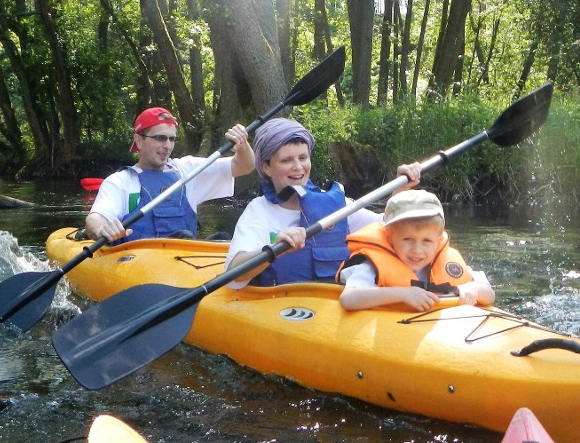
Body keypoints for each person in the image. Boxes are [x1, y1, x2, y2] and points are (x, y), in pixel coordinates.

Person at [224, 117, 422, 287]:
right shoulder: (260, 210)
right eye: (286, 161)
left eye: (303, 157)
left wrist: (400, 191)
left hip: (333, 305)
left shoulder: (333, 204)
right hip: (280, 308)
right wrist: (274, 249)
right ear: (266, 167)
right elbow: (233, 274)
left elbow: (389, 227)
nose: (298, 167)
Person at [86, 107, 254, 243]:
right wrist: (102, 229)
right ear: (139, 141)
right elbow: (95, 219)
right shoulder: (120, 182)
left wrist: (243, 144)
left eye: (172, 139)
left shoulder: (187, 170)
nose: (167, 145)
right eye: (160, 138)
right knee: (184, 238)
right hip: (137, 264)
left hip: (185, 261)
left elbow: (244, 166)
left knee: (223, 239)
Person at [337, 189, 495, 312]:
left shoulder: (447, 261)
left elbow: (489, 294)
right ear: (389, 238)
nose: (417, 250)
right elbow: (348, 299)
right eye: (407, 239)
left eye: (427, 241)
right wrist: (403, 294)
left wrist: (473, 289)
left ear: (438, 240)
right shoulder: (370, 266)